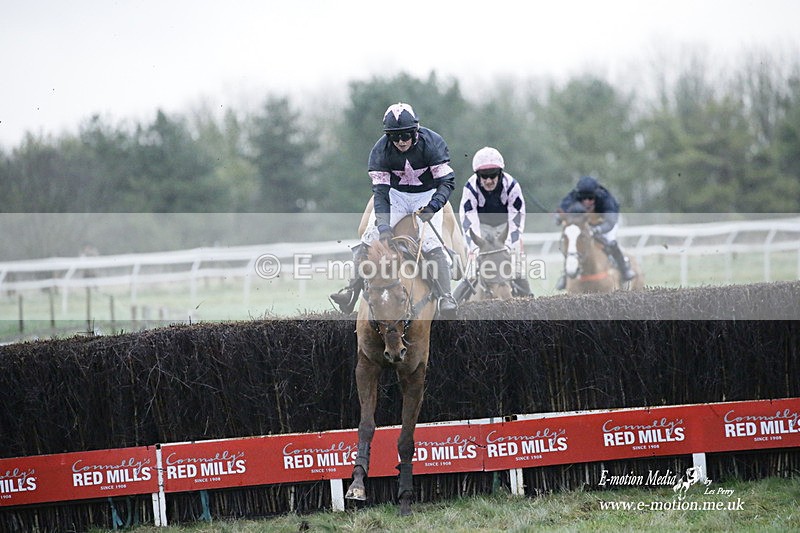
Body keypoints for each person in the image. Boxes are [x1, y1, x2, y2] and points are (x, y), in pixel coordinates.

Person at [330, 102, 458, 316]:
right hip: (395, 195)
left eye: (406, 135)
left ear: (415, 131)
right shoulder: (380, 151)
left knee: (430, 242)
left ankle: (446, 296)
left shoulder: (432, 143)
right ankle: (352, 290)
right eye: (394, 136)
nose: (400, 141)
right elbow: (380, 194)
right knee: (369, 237)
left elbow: (447, 182)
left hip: (426, 195)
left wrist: (433, 206)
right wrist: (383, 227)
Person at [457, 147, 532, 298]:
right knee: (471, 271)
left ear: (500, 173)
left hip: (505, 229)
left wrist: (508, 245)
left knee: (518, 268)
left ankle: (529, 301)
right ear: (478, 175)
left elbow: (516, 220)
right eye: (484, 176)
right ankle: (453, 305)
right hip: (480, 229)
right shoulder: (470, 188)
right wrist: (475, 248)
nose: (489, 180)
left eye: (493, 175)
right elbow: (468, 220)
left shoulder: (512, 186)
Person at [554, 175, 636, 289]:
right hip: (584, 224)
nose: (587, 201)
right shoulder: (573, 196)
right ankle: (566, 274)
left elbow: (610, 222)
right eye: (583, 198)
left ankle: (624, 269)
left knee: (610, 241)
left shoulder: (606, 199)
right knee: (573, 245)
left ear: (596, 194)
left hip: (604, 224)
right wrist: (558, 216)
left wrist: (597, 230)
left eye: (590, 198)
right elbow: (561, 211)